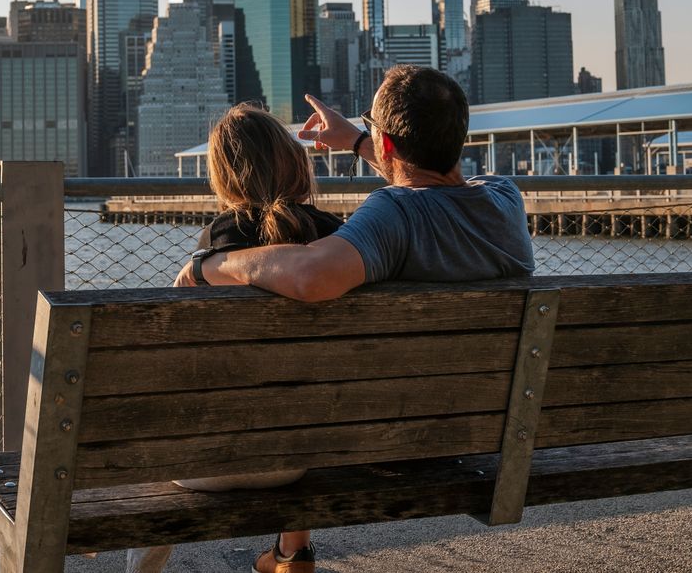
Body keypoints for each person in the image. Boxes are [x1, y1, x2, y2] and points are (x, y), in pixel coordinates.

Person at [174, 65, 536, 573]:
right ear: (459, 135)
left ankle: (289, 550)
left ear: (386, 144)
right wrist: (363, 142)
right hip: (482, 432)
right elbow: (430, 185)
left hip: (389, 443)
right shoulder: (505, 199)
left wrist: (207, 265)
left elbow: (311, 276)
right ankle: (290, 548)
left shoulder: (391, 216)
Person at [125, 103, 343, 573]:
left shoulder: (213, 248)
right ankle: (293, 551)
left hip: (204, 464)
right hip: (298, 459)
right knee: (299, 389)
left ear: (224, 178)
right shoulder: (339, 245)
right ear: (295, 162)